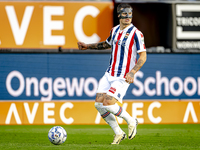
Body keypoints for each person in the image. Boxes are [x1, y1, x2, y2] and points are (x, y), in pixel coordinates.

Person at [77, 3, 147, 145]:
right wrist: (87, 46)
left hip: (122, 76)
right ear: (119, 15)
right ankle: (118, 133)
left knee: (108, 104)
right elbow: (107, 44)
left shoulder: (136, 34)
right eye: (124, 13)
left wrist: (132, 72)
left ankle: (131, 121)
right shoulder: (114, 30)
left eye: (130, 14)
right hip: (109, 73)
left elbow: (143, 57)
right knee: (99, 104)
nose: (127, 16)